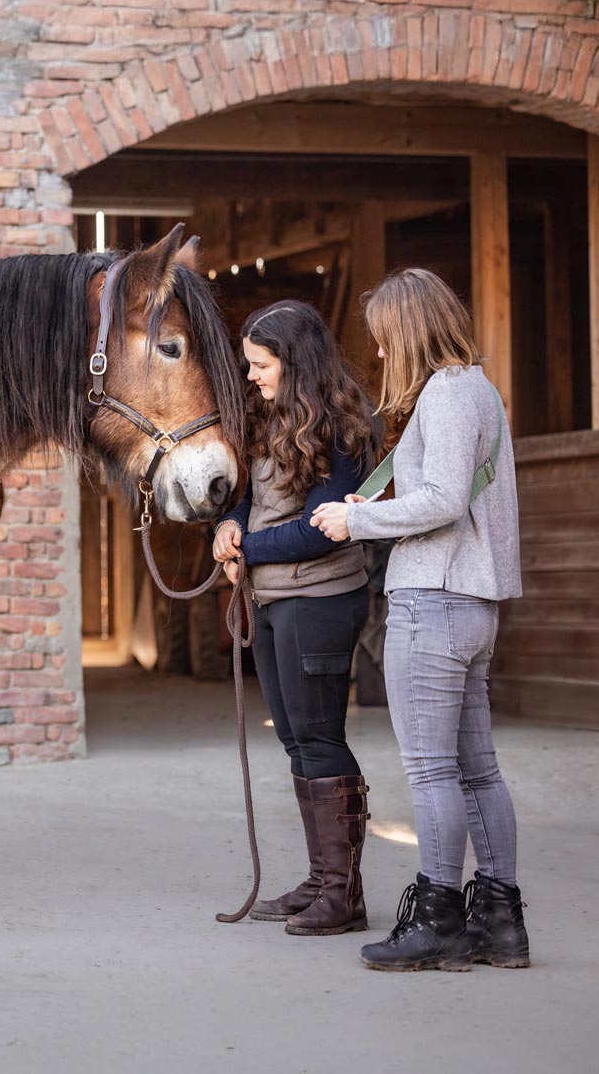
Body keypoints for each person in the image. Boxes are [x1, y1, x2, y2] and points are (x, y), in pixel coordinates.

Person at [312, 268, 529, 972]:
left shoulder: (447, 392)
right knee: (477, 771)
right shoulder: (477, 390)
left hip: (433, 602)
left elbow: (441, 500)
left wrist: (356, 520)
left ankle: (437, 921)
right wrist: (376, 503)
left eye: (383, 338)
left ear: (408, 331)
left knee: (432, 771)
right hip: (470, 604)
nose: (378, 353)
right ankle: (499, 923)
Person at [214, 300, 381, 936]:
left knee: (319, 736)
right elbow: (250, 498)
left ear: (295, 360)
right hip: (273, 599)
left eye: (261, 364)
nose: (251, 375)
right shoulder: (269, 416)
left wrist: (250, 549)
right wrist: (229, 526)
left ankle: (343, 893)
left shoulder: (343, 427)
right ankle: (320, 880)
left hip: (321, 599)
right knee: (294, 738)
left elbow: (321, 529)